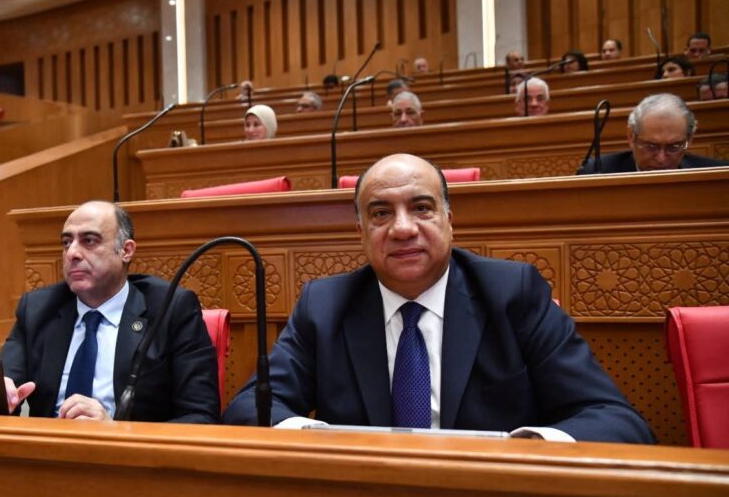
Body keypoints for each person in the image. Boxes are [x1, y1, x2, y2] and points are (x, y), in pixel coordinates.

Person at [223, 154, 654, 443]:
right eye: (381, 213)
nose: (402, 228)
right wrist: (323, 441)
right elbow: (249, 408)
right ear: (361, 233)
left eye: (422, 208)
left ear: (449, 220)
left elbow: (616, 419)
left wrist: (528, 448)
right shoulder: (325, 305)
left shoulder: (512, 293)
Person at [0, 201, 219, 423]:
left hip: (129, 445)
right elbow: (4, 384)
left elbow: (201, 416)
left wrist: (115, 431)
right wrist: (1, 394)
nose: (72, 253)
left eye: (89, 241)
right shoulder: (38, 308)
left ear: (126, 250)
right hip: (48, 442)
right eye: (67, 242)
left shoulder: (171, 308)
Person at [577, 93, 727, 174]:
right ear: (631, 136)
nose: (661, 159)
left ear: (690, 139)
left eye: (674, 147)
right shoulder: (596, 172)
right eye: (650, 146)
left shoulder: (718, 177)